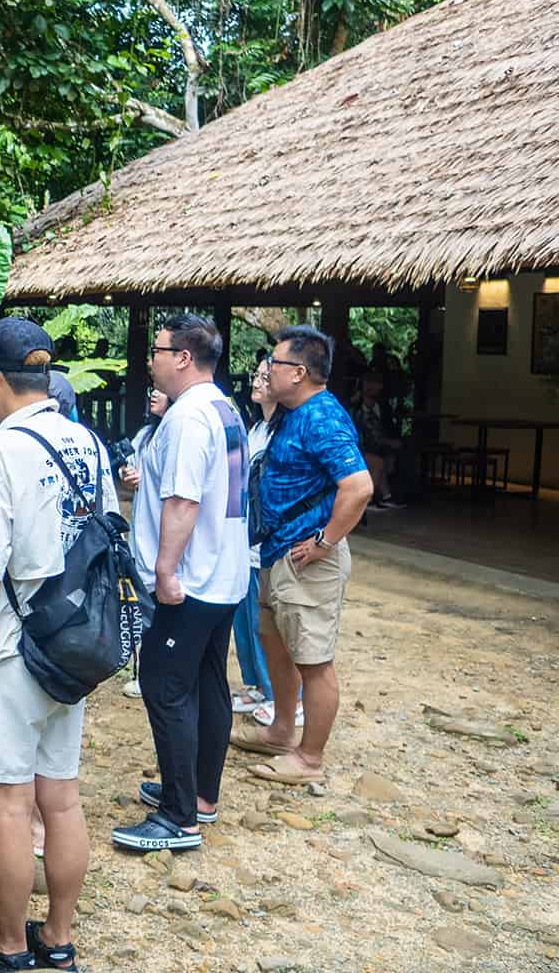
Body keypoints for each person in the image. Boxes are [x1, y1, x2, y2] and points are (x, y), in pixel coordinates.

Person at [0, 318, 117, 973]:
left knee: (9, 802)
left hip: (13, 651)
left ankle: (10, 946)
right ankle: (57, 938)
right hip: (73, 641)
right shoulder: (88, 442)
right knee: (60, 797)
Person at [110, 315, 248, 852]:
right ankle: (200, 795)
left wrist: (165, 571)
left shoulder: (189, 417)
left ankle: (177, 816)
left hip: (190, 579)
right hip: (223, 574)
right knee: (209, 684)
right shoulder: (223, 406)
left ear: (184, 358)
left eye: (158, 350)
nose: (151, 360)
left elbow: (184, 501)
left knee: (165, 688)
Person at [231, 326, 372, 786]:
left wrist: (324, 542)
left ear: (299, 372)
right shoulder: (292, 413)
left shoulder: (322, 417)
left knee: (313, 659)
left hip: (307, 557)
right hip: (278, 551)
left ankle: (310, 757)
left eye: (274, 363)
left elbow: (358, 486)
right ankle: (280, 731)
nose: (266, 370)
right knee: (277, 644)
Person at [233, 360, 288, 725]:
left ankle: (277, 693)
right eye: (256, 375)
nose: (257, 381)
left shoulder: (283, 433)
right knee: (244, 619)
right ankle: (255, 683)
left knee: (265, 622)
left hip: (265, 542)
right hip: (243, 539)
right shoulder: (255, 428)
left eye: (265, 377)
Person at [116, 387, 170, 701]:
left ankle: (156, 673)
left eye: (160, 391)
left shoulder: (177, 432)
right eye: (151, 389)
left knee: (161, 608)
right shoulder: (146, 434)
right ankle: (146, 671)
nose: (152, 394)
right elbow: (129, 471)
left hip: (164, 531)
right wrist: (127, 475)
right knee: (144, 605)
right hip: (143, 530)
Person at [349, 372, 404, 509]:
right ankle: (366, 501)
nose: (370, 386)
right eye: (367, 382)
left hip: (375, 446)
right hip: (356, 448)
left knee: (386, 460)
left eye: (375, 383)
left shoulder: (383, 407)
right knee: (378, 462)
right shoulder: (354, 407)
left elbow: (387, 430)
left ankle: (386, 497)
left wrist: (390, 442)